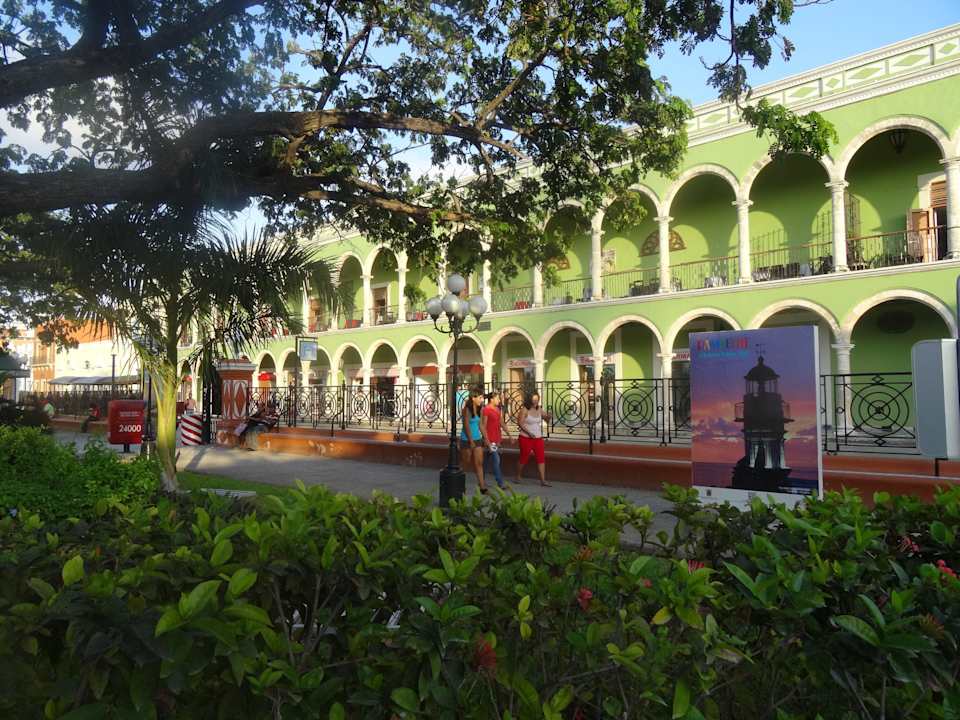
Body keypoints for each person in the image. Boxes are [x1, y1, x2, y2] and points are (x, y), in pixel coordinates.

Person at [516, 391, 551, 487]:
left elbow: (546, 419)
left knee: (541, 458)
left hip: (538, 438)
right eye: (534, 399)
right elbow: (520, 423)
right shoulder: (524, 410)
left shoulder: (539, 409)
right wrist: (529, 433)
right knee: (524, 457)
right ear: (529, 399)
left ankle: (543, 480)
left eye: (537, 399)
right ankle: (518, 476)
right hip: (525, 438)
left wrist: (549, 416)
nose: (536, 401)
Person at [481, 390, 512, 491]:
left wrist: (509, 435)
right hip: (490, 441)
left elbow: (502, 423)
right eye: (498, 398)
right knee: (496, 460)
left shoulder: (497, 409)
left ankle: (481, 481)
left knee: (485, 462)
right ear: (492, 399)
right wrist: (486, 441)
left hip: (497, 440)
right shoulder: (486, 410)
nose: (499, 400)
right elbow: (484, 426)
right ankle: (500, 483)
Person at [460, 385, 487, 494]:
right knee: (466, 463)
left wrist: (486, 439)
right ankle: (460, 485)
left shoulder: (480, 409)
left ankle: (482, 488)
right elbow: (466, 425)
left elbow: (480, 425)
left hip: (477, 439)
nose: (482, 399)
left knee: (479, 463)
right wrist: (470, 441)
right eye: (480, 397)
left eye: (482, 397)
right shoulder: (466, 409)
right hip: (466, 439)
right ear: (473, 398)